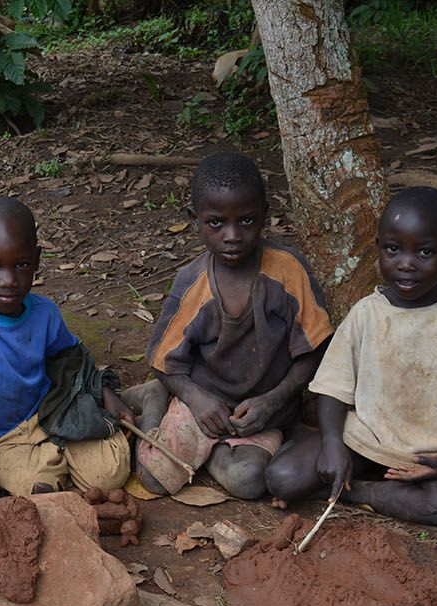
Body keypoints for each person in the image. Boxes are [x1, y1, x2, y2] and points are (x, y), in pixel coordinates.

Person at [264, 186, 437, 526]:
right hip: (364, 441)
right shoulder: (368, 312)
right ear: (379, 249)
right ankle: (358, 483)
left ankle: (354, 492)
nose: (406, 265)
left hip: (427, 455)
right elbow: (333, 387)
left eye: (425, 252)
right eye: (393, 250)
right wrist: (331, 444)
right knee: (282, 478)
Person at [128, 151, 333, 499]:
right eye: (216, 223)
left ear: (265, 215)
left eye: (247, 221)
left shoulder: (287, 271)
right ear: (195, 220)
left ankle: (212, 449)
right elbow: (166, 362)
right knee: (153, 477)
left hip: (262, 413)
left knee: (249, 482)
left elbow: (315, 350)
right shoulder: (192, 284)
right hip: (202, 402)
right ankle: (154, 400)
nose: (233, 235)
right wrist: (195, 398)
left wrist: (273, 400)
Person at [0, 197, 134, 494]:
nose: (8, 280)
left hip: (54, 413)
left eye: (21, 265)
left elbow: (72, 364)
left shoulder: (44, 312)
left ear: (37, 260)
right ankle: (51, 469)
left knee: (112, 473)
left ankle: (59, 455)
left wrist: (107, 395)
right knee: (32, 488)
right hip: (4, 437)